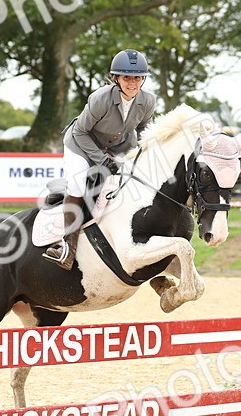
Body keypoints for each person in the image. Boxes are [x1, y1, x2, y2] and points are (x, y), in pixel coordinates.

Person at [43, 48, 157, 270]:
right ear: (116, 78)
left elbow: (143, 130)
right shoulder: (100, 98)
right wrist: (102, 160)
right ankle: (67, 246)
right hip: (81, 145)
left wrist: (144, 156)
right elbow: (80, 132)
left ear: (143, 79)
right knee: (77, 183)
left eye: (137, 78)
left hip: (118, 147)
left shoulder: (148, 101)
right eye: (126, 77)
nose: (131, 83)